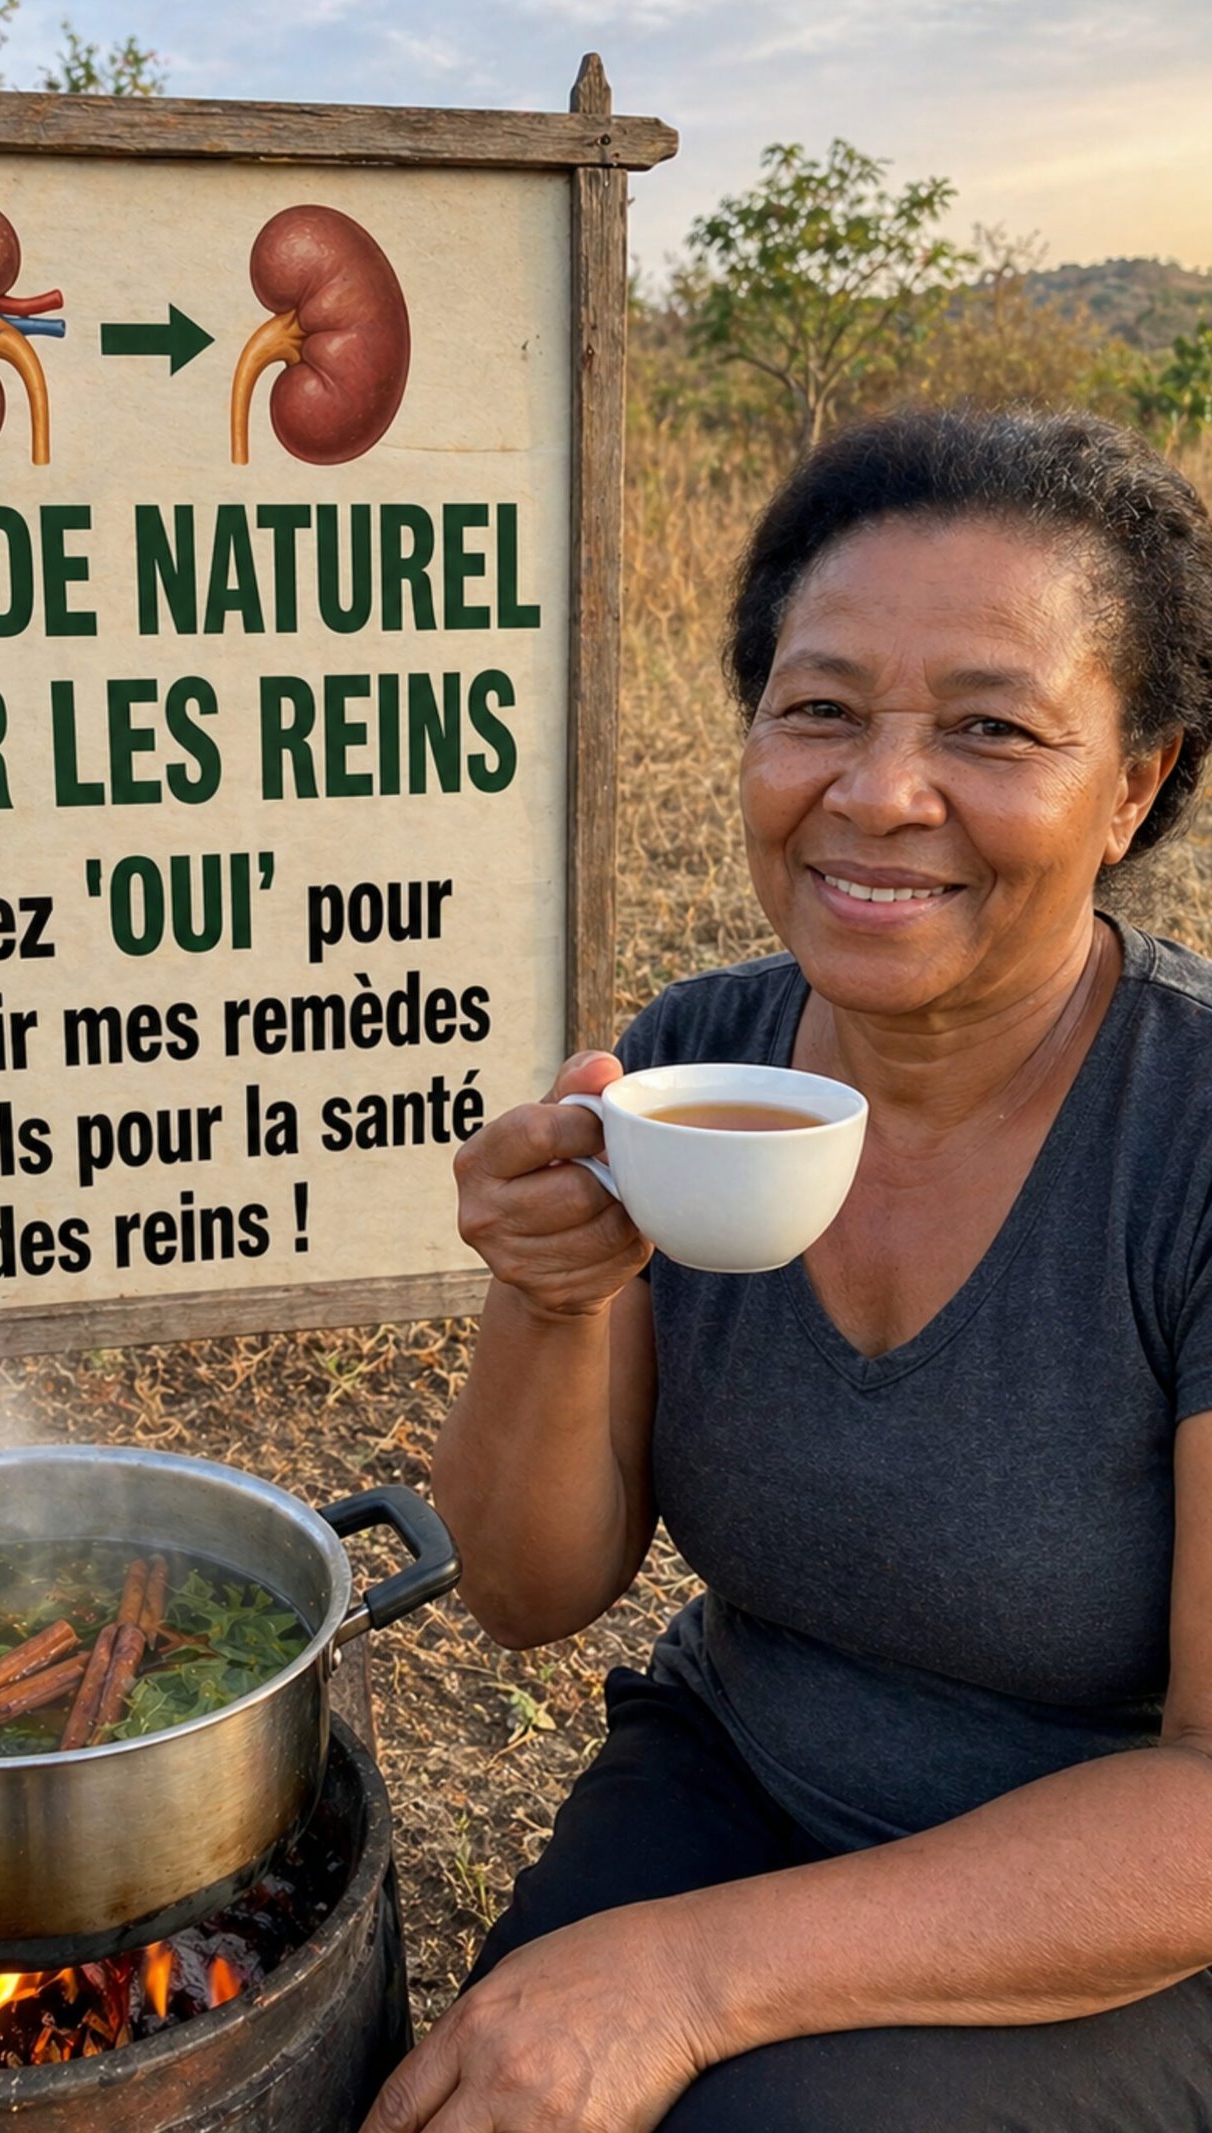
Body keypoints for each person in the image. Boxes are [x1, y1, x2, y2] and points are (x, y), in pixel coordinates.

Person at [362, 405, 1212, 2133]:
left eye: (991, 727)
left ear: (1135, 782)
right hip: (744, 1760)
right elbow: (531, 1593)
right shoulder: (697, 1066)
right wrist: (553, 1296)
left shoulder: (1187, 1136)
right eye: (818, 707)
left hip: (1120, 1905)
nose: (879, 792)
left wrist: (679, 1976)